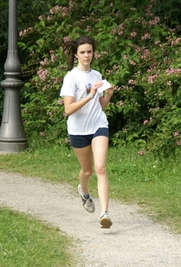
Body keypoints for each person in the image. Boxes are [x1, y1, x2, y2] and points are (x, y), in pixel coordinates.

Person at [60, 35, 115, 228]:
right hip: (78, 129)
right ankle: (84, 193)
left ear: (93, 53)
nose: (86, 55)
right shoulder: (71, 78)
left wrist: (107, 95)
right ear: (76, 55)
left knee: (100, 168)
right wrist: (89, 95)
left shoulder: (97, 75)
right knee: (87, 170)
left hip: (98, 125)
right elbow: (67, 110)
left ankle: (104, 213)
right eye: (82, 52)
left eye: (89, 52)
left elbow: (100, 106)